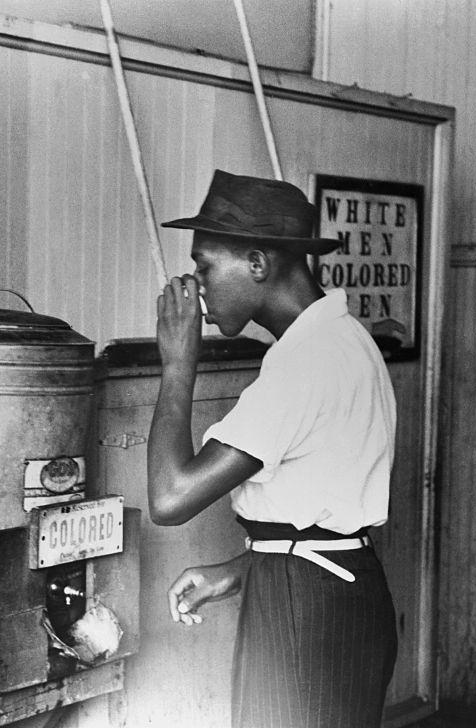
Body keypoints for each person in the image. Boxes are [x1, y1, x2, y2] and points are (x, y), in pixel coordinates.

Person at [147, 169, 398, 728]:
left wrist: (177, 365)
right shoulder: (344, 340)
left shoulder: (303, 365)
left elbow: (169, 497)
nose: (197, 284)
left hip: (306, 611)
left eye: (205, 265)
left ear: (258, 263)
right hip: (339, 591)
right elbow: (322, 518)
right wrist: (242, 569)